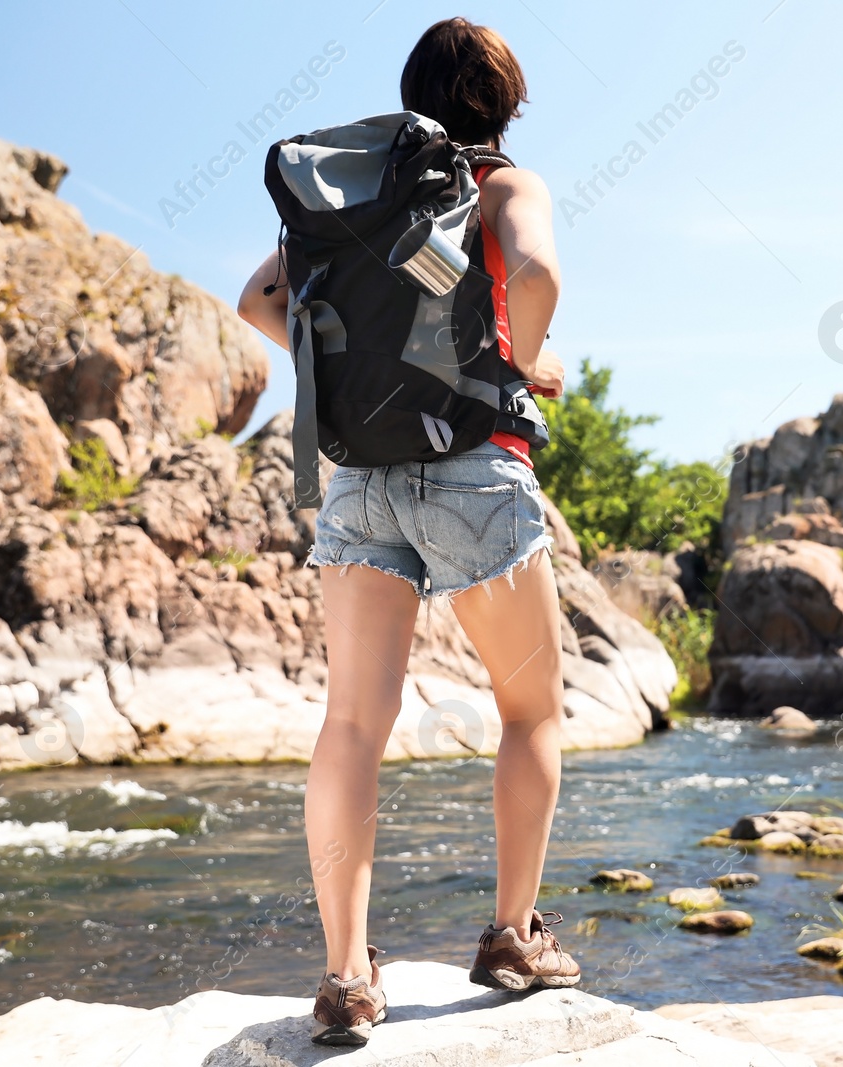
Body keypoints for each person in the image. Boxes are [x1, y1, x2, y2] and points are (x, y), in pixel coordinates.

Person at [237, 17, 576, 1047]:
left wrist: (353, 369)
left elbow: (259, 300)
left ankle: (346, 976)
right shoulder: (505, 185)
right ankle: (513, 935)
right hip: (477, 469)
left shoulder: (353, 203)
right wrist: (515, 365)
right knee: (530, 713)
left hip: (361, 480)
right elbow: (537, 277)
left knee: (351, 725)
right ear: (506, 104)